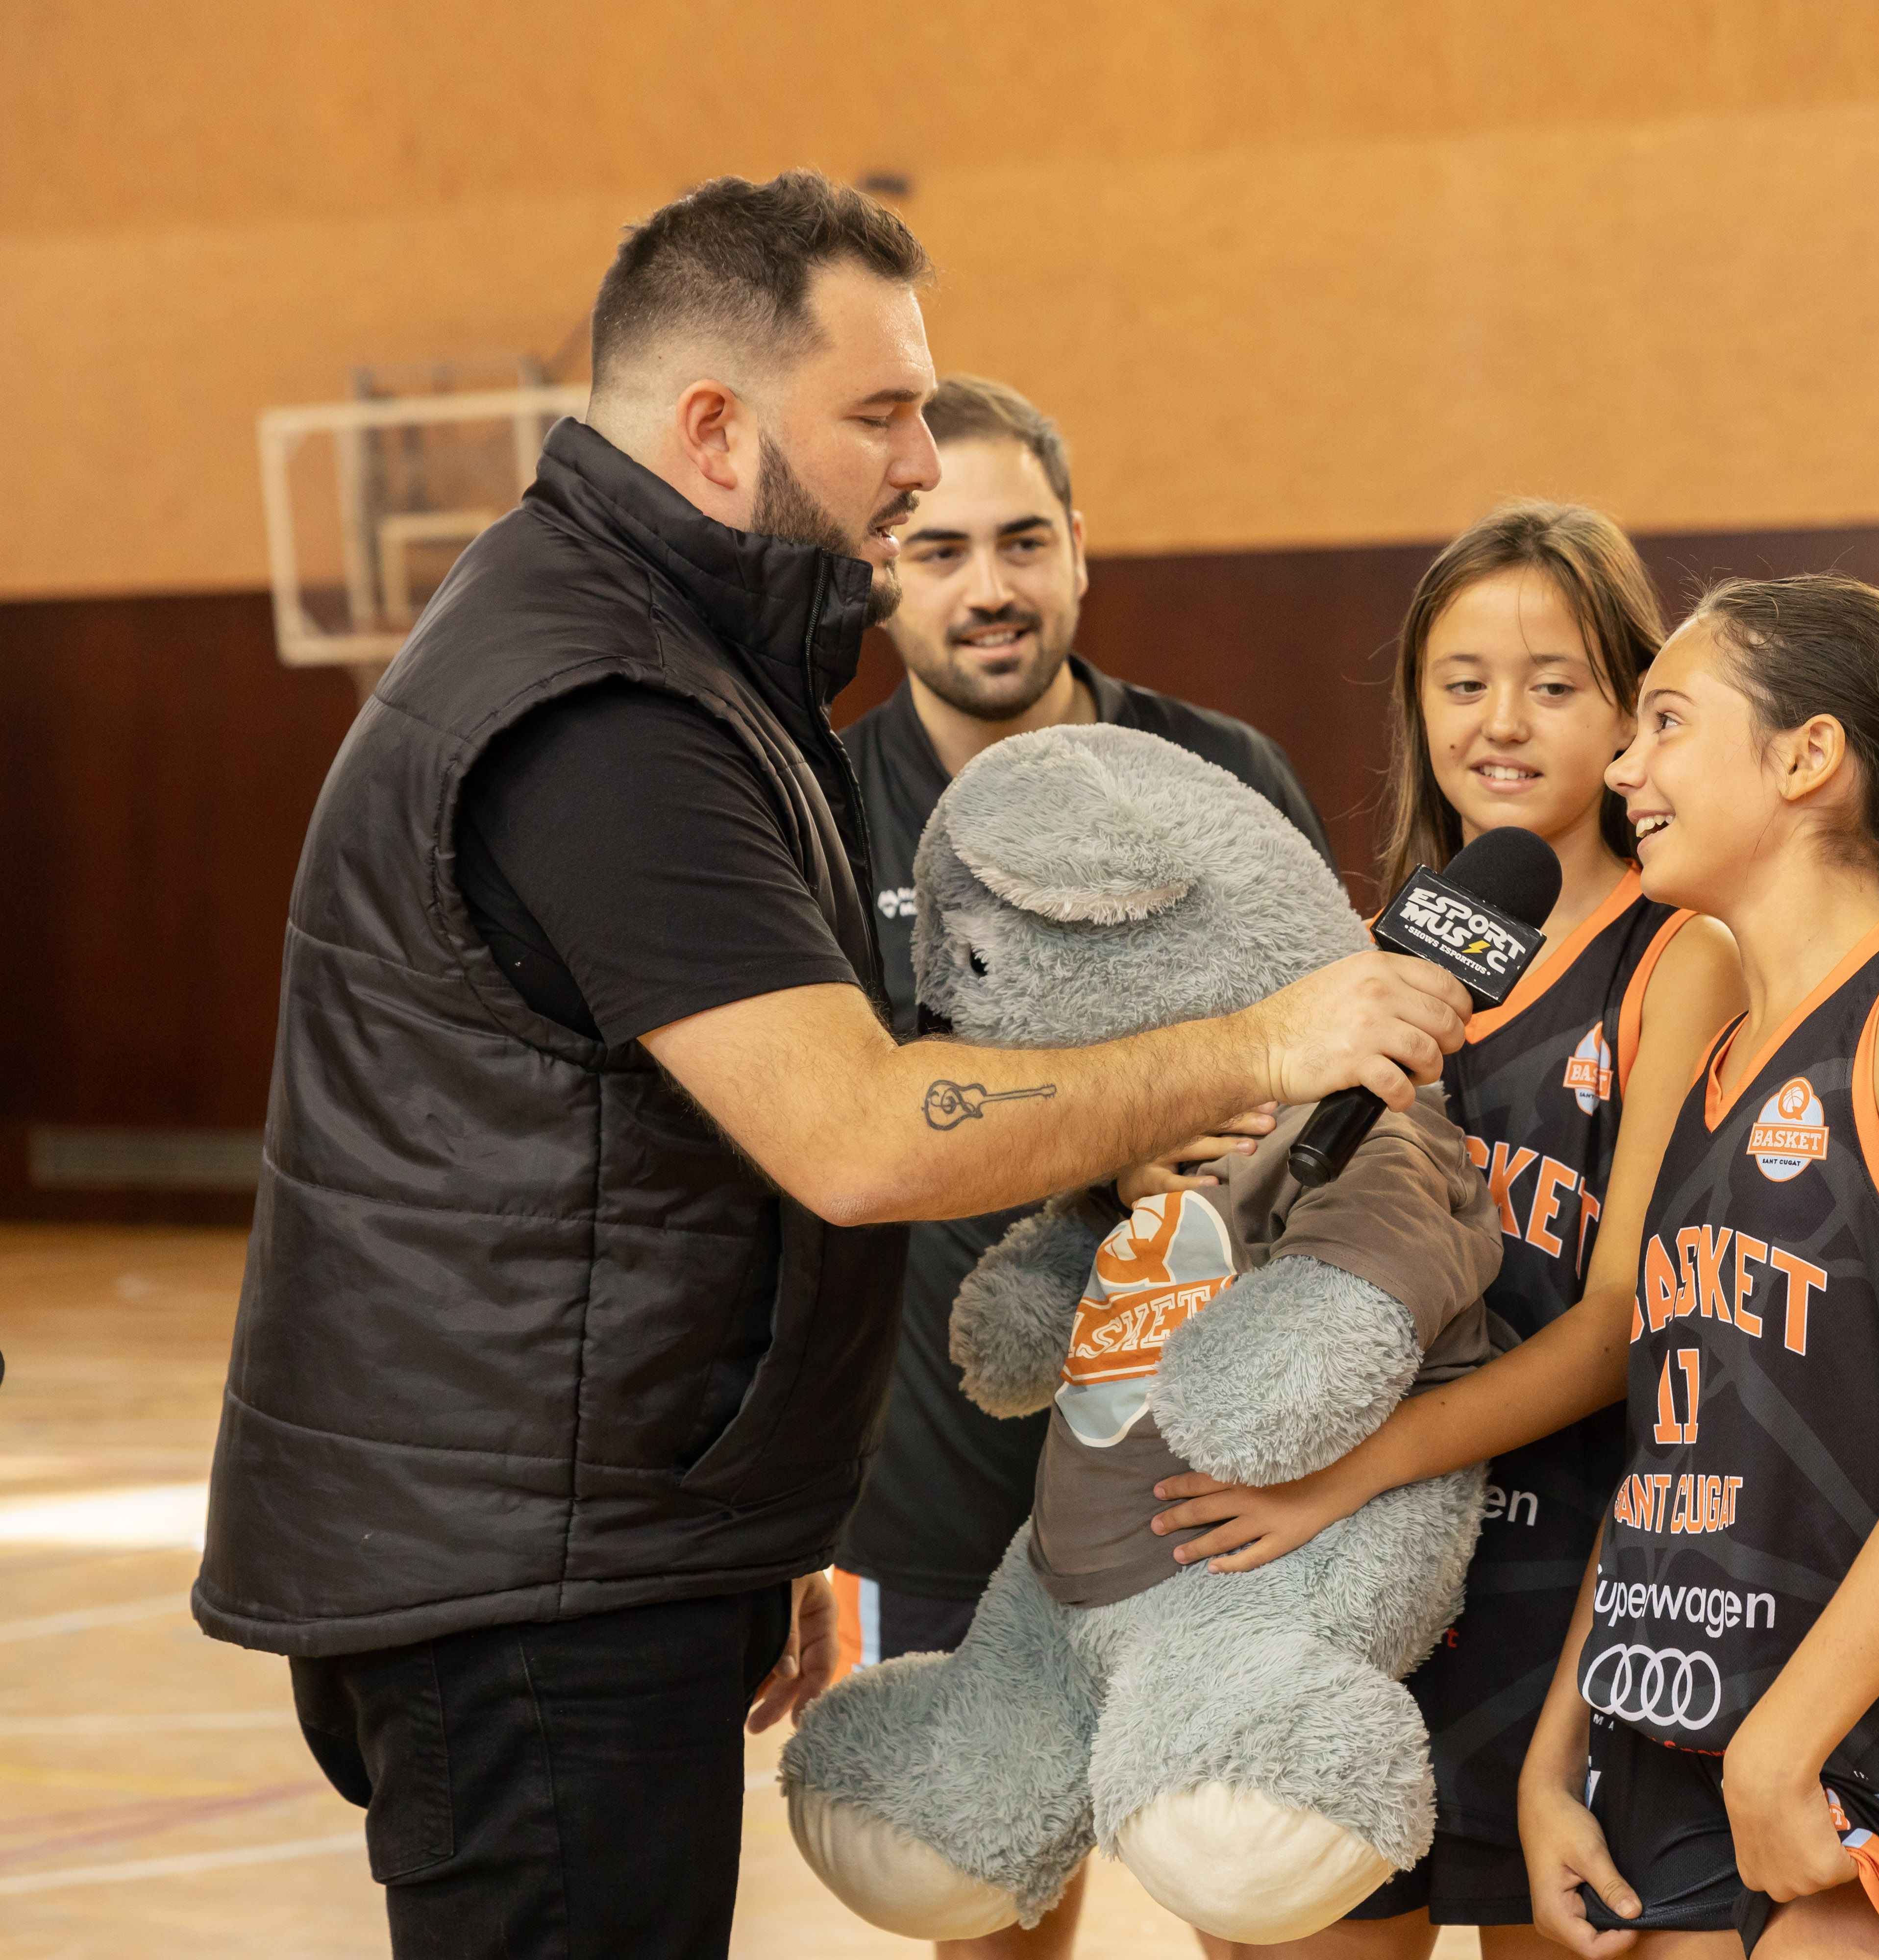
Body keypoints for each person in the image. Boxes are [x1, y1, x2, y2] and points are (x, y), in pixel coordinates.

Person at [195, 174, 1469, 1960]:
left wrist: (741, 1517)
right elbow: (862, 1135)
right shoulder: (602, 709)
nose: (921, 465)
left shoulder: (671, 656)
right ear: (717, 428)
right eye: (878, 416)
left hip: (598, 1541)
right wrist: (1259, 1043)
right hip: (526, 1582)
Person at [1159, 573, 1879, 1959]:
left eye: (1666, 721)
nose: (1625, 766)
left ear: (1808, 759)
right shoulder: (1731, 1061)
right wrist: (1563, 1759)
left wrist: (1783, 1745)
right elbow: (1666, 1441)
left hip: (1856, 1744)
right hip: (1671, 1720)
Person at [828, 373, 1335, 1960]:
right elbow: (805, 1155)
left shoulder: (1217, 769)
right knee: (998, 1915)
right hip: (941, 1473)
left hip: (1212, 1460)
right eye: (941, 548)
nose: (990, 585)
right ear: (881, 575)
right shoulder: (831, 812)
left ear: (1080, 552)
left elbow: (1342, 1085)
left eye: (1024, 541)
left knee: (1246, 1896)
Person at [1246, 502, 1742, 1960]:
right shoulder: (1367, 953)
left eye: (1554, 682)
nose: (1502, 722)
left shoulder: (1682, 951)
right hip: (1343, 1574)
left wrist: (1354, 1470)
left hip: (1554, 1583)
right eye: (1462, 683)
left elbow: (1618, 1327)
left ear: (1629, 711)